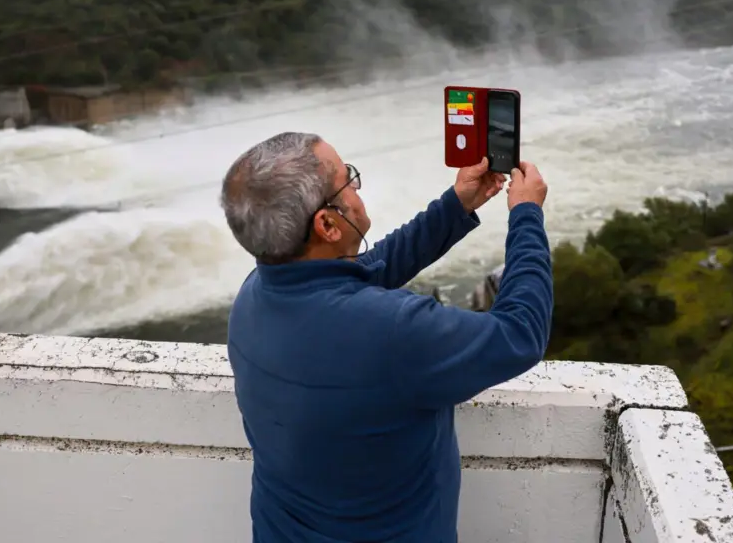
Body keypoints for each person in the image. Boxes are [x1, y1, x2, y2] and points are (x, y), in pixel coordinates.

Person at [221, 132, 552, 543]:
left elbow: (362, 270)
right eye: (348, 181)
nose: (357, 189)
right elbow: (520, 334)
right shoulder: (392, 332)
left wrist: (456, 205)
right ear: (326, 223)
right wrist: (525, 215)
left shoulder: (253, 298)